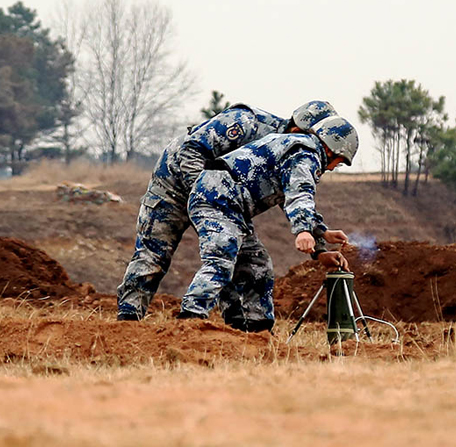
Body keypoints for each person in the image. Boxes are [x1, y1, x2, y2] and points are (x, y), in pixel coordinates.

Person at [116, 101, 338, 321]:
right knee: (153, 255)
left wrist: (319, 245)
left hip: (222, 199)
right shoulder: (246, 122)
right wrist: (207, 198)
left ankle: (238, 325)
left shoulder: (288, 149)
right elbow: (190, 151)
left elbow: (292, 193)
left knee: (244, 258)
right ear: (300, 128)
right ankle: (128, 318)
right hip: (172, 188)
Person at [178, 116, 359, 332]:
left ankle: (255, 330)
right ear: (331, 149)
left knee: (257, 264)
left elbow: (290, 194)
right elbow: (300, 194)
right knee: (221, 259)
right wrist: (302, 231)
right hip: (215, 199)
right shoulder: (305, 153)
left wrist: (322, 237)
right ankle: (188, 322)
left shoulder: (297, 148)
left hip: (230, 206)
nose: (334, 167)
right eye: (339, 161)